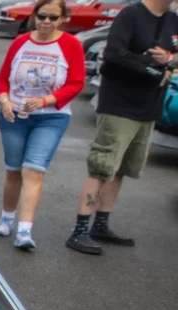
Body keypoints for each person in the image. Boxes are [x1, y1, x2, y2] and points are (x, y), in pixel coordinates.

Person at [65, 0, 177, 255]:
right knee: (102, 166)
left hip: (149, 108)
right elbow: (114, 55)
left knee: (122, 168)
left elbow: (174, 56)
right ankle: (79, 230)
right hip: (120, 106)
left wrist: (170, 58)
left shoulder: (172, 20)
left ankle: (101, 224)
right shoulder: (131, 15)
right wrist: (155, 72)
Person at [0, 0, 85, 251]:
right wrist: (4, 101)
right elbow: (2, 79)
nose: (46, 22)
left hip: (51, 117)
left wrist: (46, 100)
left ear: (62, 19)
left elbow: (76, 83)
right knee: (13, 170)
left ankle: (24, 231)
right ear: (34, 15)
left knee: (33, 170)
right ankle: (6, 217)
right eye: (42, 16)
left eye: (53, 18)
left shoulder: (70, 44)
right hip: (15, 115)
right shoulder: (20, 42)